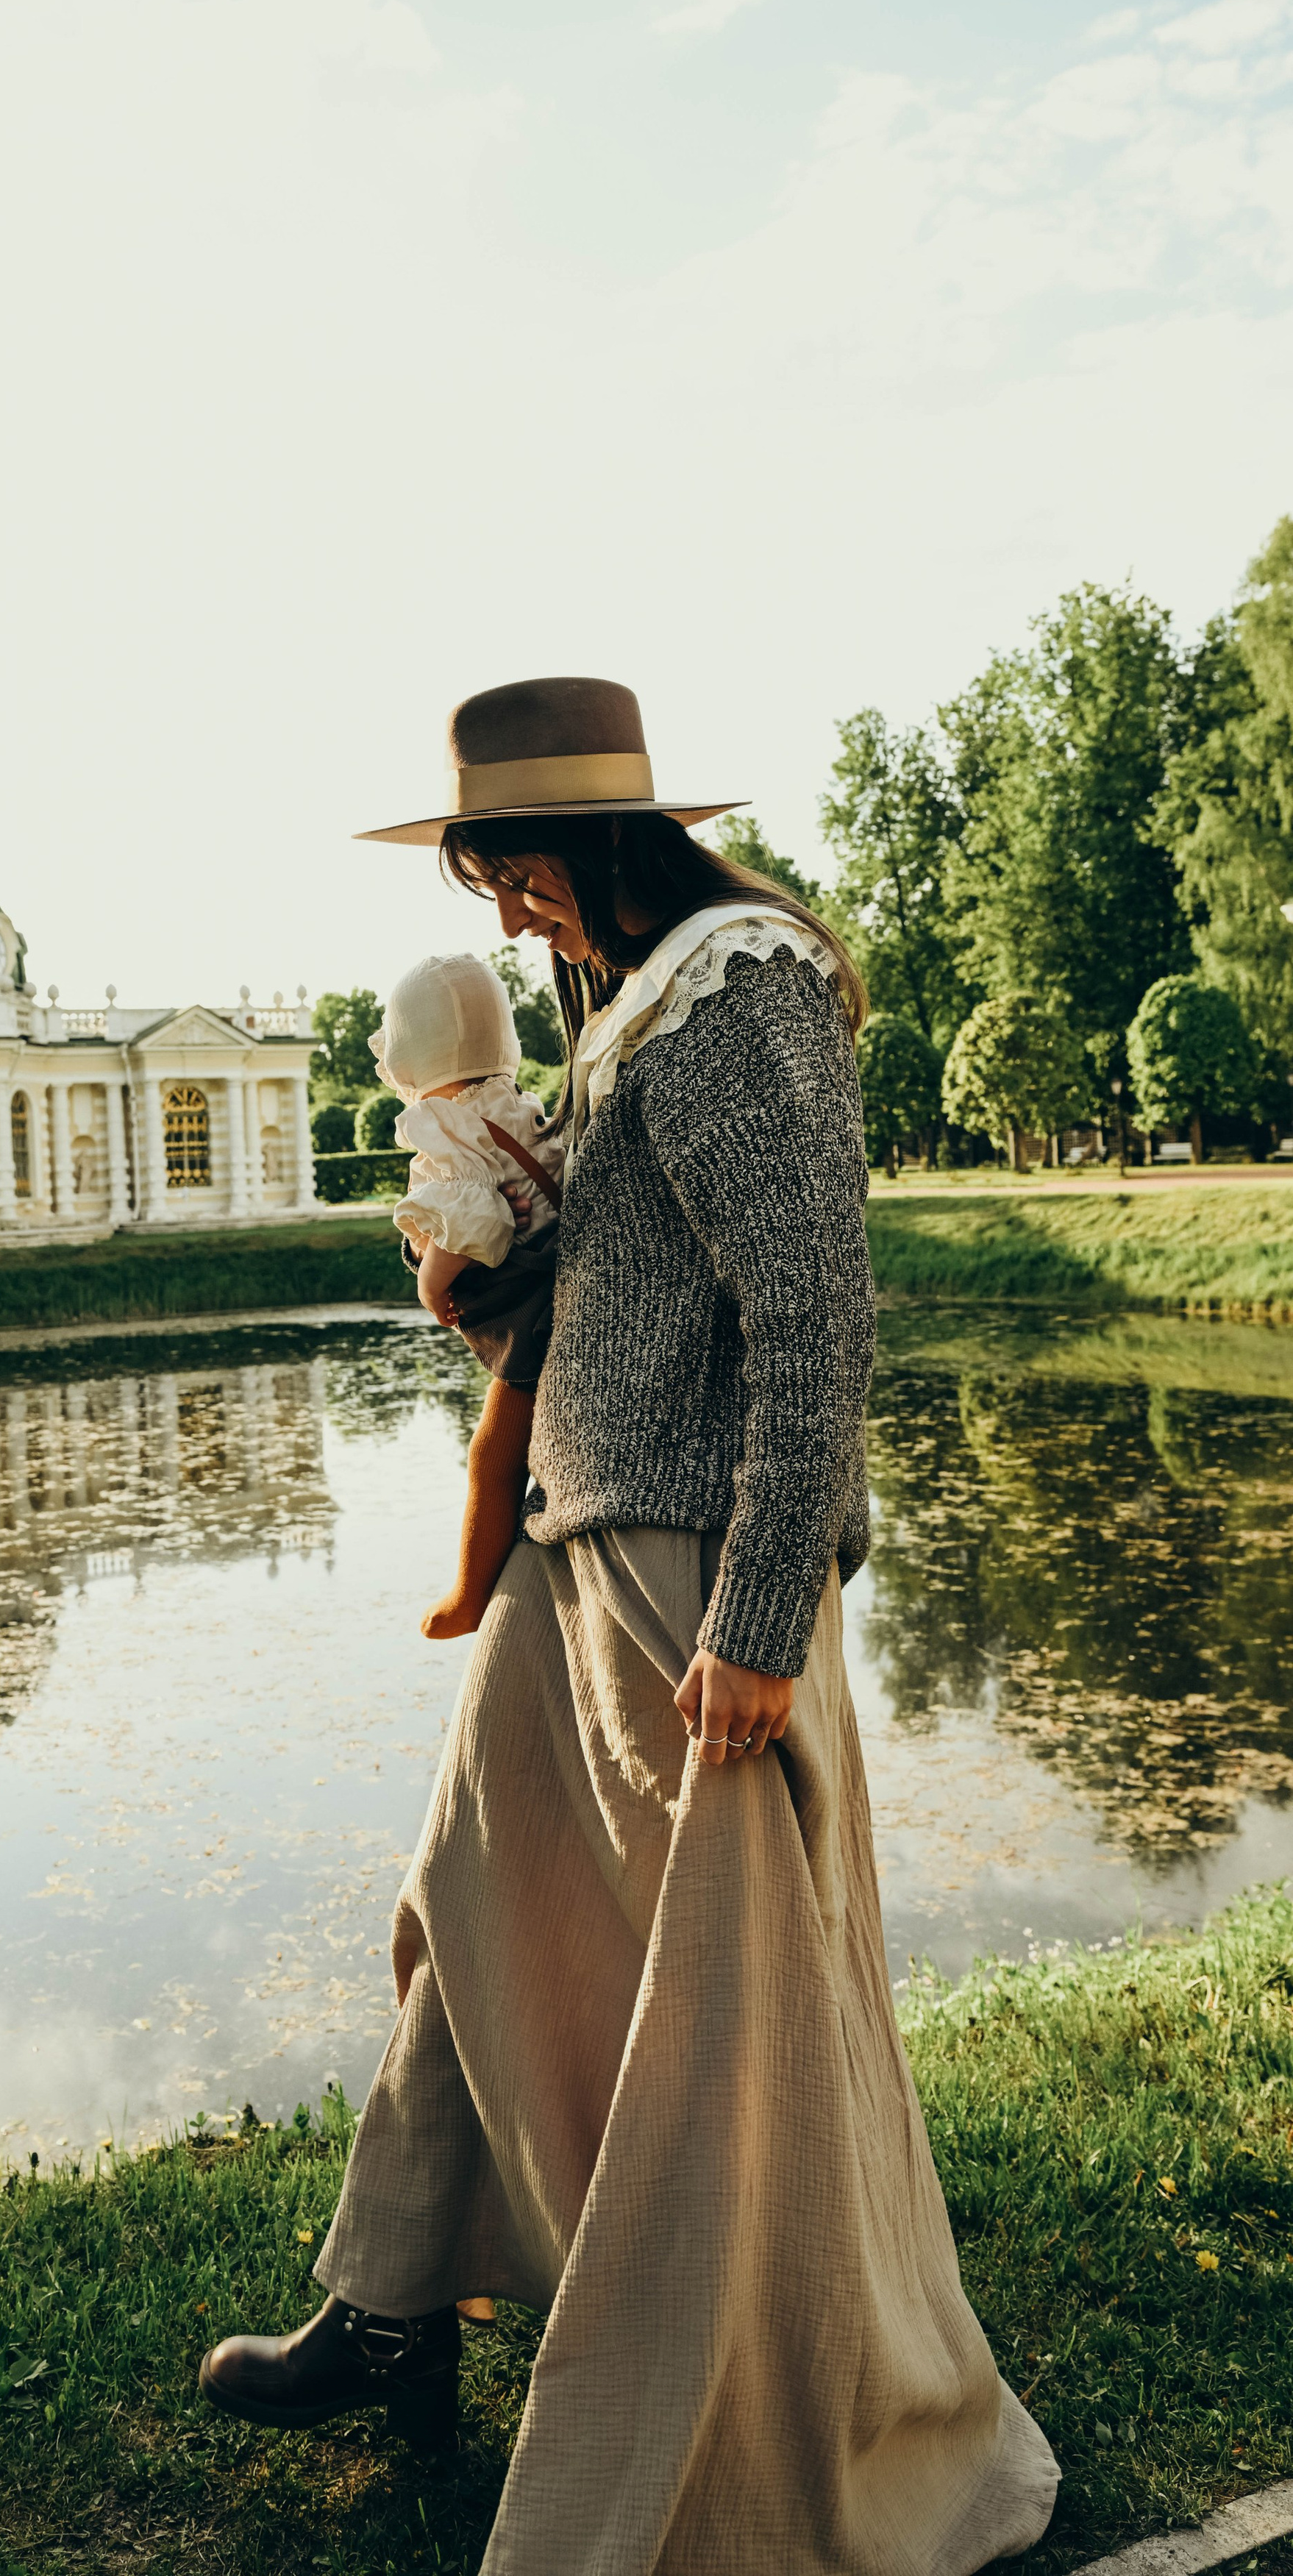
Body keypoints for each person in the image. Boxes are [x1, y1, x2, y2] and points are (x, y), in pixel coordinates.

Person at [198, 677, 1059, 2575]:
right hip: (574, 1564)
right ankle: (391, 2309)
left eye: (503, 871)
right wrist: (480, 1301)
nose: (500, 915)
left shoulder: (739, 991)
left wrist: (757, 1618)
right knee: (466, 1906)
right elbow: (621, 1318)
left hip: (689, 1584)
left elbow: (812, 1314)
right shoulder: (633, 1006)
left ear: (578, 844)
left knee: (716, 2034)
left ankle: (743, 2421)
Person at [368, 952, 563, 1644]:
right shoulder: (506, 1105)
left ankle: (471, 1593)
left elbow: (475, 1217)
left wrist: (431, 1280)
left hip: (533, 1310)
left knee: (491, 1452)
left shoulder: (448, 1125)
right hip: (554, 1280)